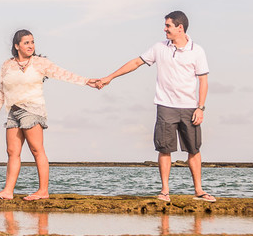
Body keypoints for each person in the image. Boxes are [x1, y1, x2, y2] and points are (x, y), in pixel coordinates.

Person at [92, 10, 215, 202]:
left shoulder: (197, 51)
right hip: (165, 106)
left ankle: (199, 190)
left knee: (194, 149)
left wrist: (201, 108)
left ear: (179, 28)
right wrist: (109, 78)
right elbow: (136, 62)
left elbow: (204, 80)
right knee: (164, 149)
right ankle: (165, 191)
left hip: (190, 107)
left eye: (168, 25)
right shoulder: (159, 47)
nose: (164, 29)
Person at [0, 29, 94, 200]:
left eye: (32, 42)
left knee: (36, 150)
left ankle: (43, 191)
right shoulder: (7, 65)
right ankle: (8, 191)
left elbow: (64, 74)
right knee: (12, 151)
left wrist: (86, 81)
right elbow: (1, 90)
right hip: (13, 110)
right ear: (17, 46)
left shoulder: (40, 63)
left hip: (32, 109)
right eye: (26, 43)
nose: (30, 46)